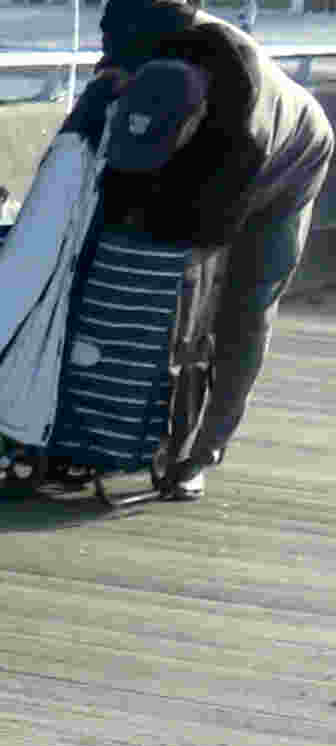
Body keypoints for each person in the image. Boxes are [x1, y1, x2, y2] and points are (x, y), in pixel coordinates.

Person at [86, 0, 330, 496]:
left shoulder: (234, 77)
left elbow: (227, 192)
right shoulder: (130, 33)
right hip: (206, 147)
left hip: (288, 161)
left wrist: (194, 254)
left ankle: (201, 451)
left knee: (243, 305)